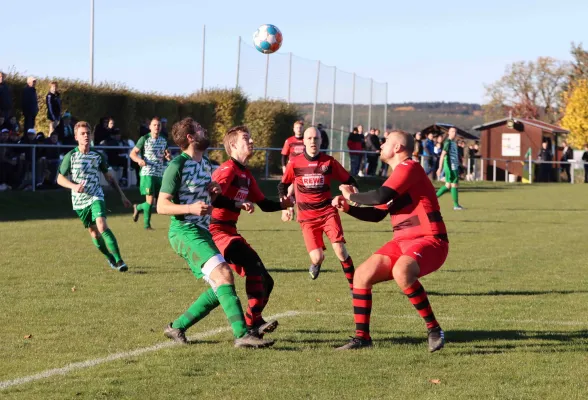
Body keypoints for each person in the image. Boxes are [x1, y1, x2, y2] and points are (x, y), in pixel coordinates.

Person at [156, 117, 274, 348]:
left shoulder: (206, 164)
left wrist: (226, 199)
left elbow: (214, 199)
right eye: (200, 128)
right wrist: (190, 208)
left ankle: (177, 327)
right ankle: (242, 335)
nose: (205, 130)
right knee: (224, 275)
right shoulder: (177, 165)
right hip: (184, 231)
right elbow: (161, 206)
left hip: (201, 231)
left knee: (219, 285)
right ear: (190, 137)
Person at [332, 129, 448, 352]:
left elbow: (380, 196)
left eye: (385, 141)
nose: (381, 145)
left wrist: (350, 196)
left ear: (397, 148)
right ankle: (362, 338)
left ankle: (434, 328)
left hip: (430, 240)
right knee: (362, 275)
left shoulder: (409, 167)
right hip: (402, 241)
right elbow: (376, 214)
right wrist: (347, 208)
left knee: (402, 272)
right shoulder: (397, 176)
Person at [210, 125, 293, 337]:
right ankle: (253, 322)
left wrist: (284, 205)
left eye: (250, 137)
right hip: (216, 231)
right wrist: (237, 205)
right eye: (246, 138)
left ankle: (251, 323)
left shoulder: (245, 174)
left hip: (230, 231)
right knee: (254, 267)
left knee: (267, 281)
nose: (251, 141)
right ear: (233, 145)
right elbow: (214, 197)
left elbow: (263, 203)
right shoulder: (227, 170)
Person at [278, 127, 358, 286]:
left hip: (328, 213)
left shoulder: (329, 162)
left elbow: (349, 180)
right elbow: (283, 185)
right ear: (304, 141)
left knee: (341, 251)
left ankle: (354, 286)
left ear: (321, 141)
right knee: (317, 257)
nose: (313, 141)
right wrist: (285, 207)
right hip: (307, 218)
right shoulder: (294, 163)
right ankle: (317, 263)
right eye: (309, 138)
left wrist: (353, 194)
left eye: (316, 138)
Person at [57, 121, 132, 272]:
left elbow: (110, 178)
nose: (86, 136)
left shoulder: (97, 156)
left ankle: (119, 260)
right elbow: (59, 178)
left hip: (96, 196)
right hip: (79, 201)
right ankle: (109, 257)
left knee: (102, 225)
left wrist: (122, 196)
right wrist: (74, 186)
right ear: (76, 137)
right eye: (82, 134)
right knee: (94, 232)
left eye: (88, 133)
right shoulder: (70, 156)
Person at [130, 117, 171, 230]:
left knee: (156, 202)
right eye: (154, 125)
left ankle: (138, 207)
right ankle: (147, 226)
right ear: (150, 127)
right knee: (150, 200)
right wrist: (139, 160)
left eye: (158, 125)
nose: (157, 127)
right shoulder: (144, 139)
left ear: (161, 127)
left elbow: (167, 153)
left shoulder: (163, 139)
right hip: (147, 172)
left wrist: (168, 156)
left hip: (159, 173)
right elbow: (132, 154)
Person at [436, 127, 463, 210]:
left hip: (454, 166)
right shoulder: (448, 142)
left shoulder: (453, 143)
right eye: (452, 131)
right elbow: (442, 155)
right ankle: (456, 205)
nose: (454, 133)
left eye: (455, 131)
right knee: (454, 184)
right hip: (450, 167)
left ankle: (432, 199)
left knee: (448, 185)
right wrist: (440, 168)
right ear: (448, 133)